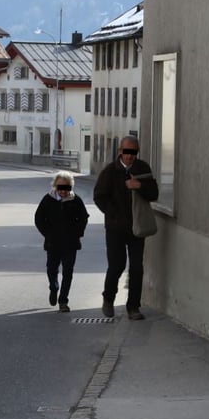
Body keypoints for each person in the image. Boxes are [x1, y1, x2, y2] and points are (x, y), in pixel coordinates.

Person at [92, 135, 159, 320]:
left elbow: (154, 193)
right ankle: (108, 299)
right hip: (115, 228)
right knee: (116, 265)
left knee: (137, 267)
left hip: (137, 226)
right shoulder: (110, 171)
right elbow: (99, 196)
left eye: (133, 152)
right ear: (120, 151)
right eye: (126, 152)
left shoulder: (142, 168)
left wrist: (139, 185)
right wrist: (113, 213)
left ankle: (133, 307)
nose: (130, 156)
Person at [34, 170, 89, 313]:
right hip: (53, 243)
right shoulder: (48, 199)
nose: (63, 191)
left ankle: (63, 301)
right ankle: (54, 288)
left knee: (68, 272)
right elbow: (39, 218)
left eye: (67, 187)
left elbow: (83, 217)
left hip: (70, 243)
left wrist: (77, 232)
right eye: (60, 187)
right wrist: (47, 233)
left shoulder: (75, 200)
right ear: (55, 186)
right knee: (51, 269)